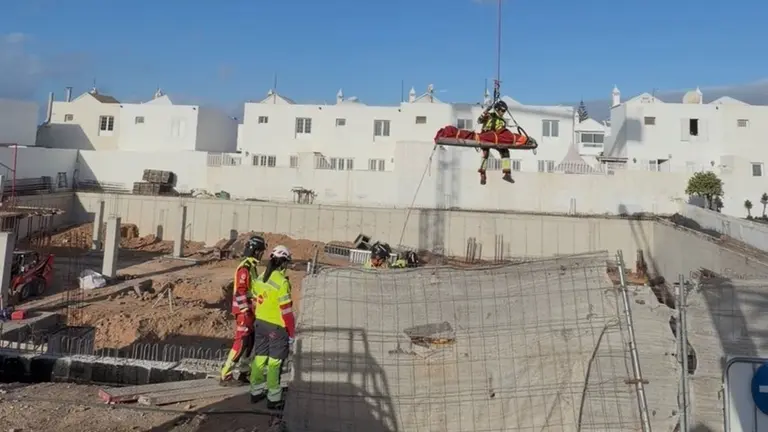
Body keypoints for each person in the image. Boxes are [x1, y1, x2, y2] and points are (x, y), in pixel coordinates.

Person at [249, 245, 296, 410]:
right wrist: (291, 333)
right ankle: (274, 398)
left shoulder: (261, 278)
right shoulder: (282, 283)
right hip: (276, 327)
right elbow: (287, 312)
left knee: (260, 358)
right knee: (275, 363)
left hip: (260, 324)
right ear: (283, 263)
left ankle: (255, 392)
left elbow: (255, 302)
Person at [220, 235, 267, 385]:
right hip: (244, 312)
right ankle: (226, 375)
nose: (261, 255)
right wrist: (246, 310)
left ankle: (244, 372)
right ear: (254, 251)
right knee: (241, 343)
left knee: (249, 342)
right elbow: (241, 291)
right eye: (260, 252)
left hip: (251, 311)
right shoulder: (245, 268)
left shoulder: (252, 267)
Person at [477, 100, 514, 185]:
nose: (503, 113)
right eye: (502, 110)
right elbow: (479, 121)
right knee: (485, 154)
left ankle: (507, 173)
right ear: (497, 109)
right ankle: (483, 174)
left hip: (497, 138)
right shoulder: (489, 115)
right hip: (486, 137)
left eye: (504, 111)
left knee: (505, 152)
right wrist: (486, 111)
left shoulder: (502, 120)